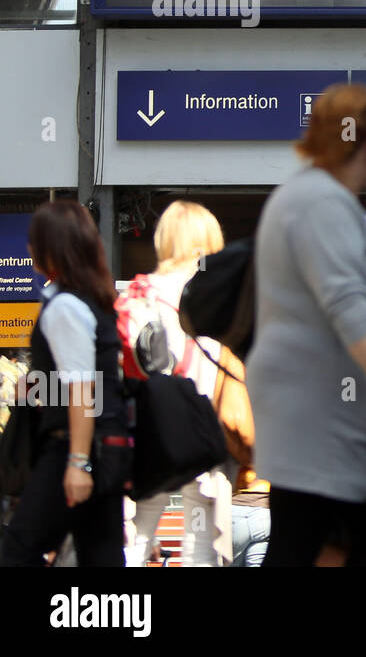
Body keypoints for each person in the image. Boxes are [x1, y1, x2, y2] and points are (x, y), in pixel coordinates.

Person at [248, 82, 366, 567]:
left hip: (332, 424)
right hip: (325, 426)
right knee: (346, 532)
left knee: (326, 536)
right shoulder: (319, 203)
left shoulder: (318, 199)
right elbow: (346, 301)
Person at [1, 201, 129, 567]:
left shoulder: (64, 307)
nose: (28, 250)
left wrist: (77, 462)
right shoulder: (94, 301)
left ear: (49, 248)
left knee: (19, 548)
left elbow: (81, 388)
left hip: (73, 449)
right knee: (99, 556)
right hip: (104, 446)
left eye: (33, 242)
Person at [118, 200, 237, 567]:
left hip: (153, 436)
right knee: (200, 547)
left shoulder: (140, 294)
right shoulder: (220, 296)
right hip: (204, 439)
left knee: (134, 543)